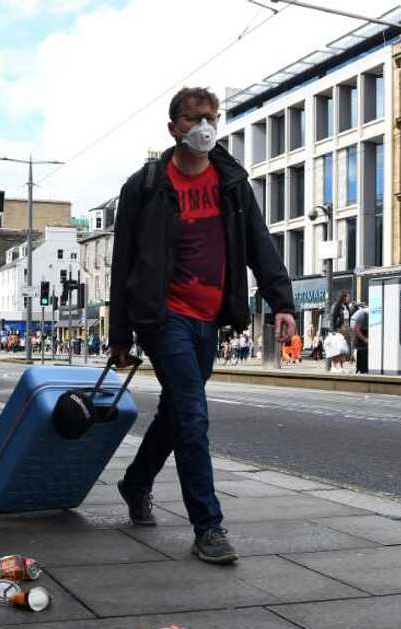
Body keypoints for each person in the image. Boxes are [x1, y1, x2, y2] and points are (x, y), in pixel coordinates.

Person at [108, 86, 295, 564]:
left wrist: (282, 301)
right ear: (174, 128)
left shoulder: (231, 181)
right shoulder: (145, 186)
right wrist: (120, 335)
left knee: (177, 412)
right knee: (193, 414)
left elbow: (259, 242)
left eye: (211, 116)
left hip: (209, 318)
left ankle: (135, 482)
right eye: (194, 118)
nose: (205, 126)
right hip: (163, 315)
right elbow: (123, 262)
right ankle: (208, 528)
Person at [351, 303, 369, 374]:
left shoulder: (360, 313)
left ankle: (360, 369)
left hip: (361, 330)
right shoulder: (362, 314)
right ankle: (362, 369)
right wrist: (365, 339)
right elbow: (356, 329)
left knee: (360, 348)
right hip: (361, 331)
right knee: (362, 349)